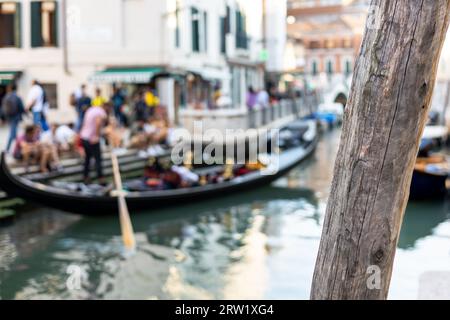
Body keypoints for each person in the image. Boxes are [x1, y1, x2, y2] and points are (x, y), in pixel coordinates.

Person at [79, 100, 109, 184]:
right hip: (92, 138)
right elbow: (98, 122)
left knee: (87, 159)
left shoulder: (90, 110)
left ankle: (86, 177)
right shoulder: (101, 111)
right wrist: (97, 136)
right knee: (98, 159)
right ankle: (101, 179)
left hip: (84, 137)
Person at [2, 83, 25, 153]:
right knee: (13, 134)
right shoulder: (17, 97)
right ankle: (10, 149)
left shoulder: (6, 96)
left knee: (13, 133)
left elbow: (2, 108)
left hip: (9, 117)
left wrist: (3, 118)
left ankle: (11, 149)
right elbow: (21, 108)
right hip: (16, 117)